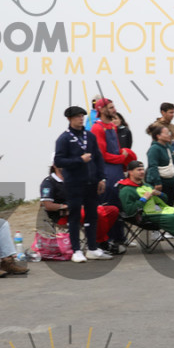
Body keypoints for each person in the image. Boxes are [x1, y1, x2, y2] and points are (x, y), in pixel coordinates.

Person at [51, 105, 111, 264]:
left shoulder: (89, 136)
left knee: (92, 215)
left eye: (82, 116)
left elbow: (98, 157)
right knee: (75, 216)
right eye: (77, 116)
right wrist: (79, 160)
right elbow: (59, 161)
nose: (81, 119)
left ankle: (92, 248)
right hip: (74, 183)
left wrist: (102, 178)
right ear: (69, 119)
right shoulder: (64, 138)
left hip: (91, 182)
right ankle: (76, 250)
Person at [117, 160, 174, 255]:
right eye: (138, 170)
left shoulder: (147, 185)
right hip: (143, 216)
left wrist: (159, 194)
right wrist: (143, 199)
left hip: (158, 212)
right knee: (170, 218)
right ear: (130, 172)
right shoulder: (126, 189)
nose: (142, 172)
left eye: (143, 169)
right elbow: (130, 210)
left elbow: (165, 199)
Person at [40, 162, 118, 258]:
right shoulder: (48, 182)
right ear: (55, 165)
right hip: (64, 215)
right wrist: (67, 206)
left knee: (112, 210)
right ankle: (97, 244)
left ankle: (98, 241)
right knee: (96, 214)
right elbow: (48, 205)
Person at [89, 97, 133, 210]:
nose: (114, 110)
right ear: (101, 110)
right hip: (106, 172)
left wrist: (123, 154)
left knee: (120, 201)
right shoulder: (97, 128)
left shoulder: (112, 126)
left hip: (117, 170)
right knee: (109, 204)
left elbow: (116, 148)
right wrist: (121, 158)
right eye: (111, 108)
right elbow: (102, 155)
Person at [149, 102, 174, 204]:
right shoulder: (156, 125)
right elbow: (153, 165)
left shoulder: (173, 126)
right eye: (170, 112)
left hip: (171, 161)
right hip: (161, 163)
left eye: (173, 112)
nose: (173, 115)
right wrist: (157, 182)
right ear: (163, 112)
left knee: (170, 203)